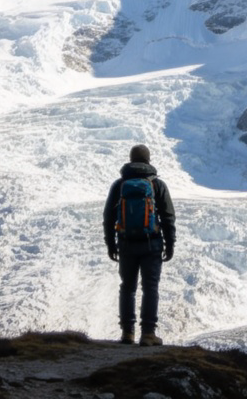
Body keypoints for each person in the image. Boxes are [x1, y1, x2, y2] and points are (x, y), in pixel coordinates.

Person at [103, 143, 176, 346]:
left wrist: (111, 244)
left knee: (127, 287)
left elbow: (108, 217)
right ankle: (148, 334)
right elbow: (168, 217)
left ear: (130, 159)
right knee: (150, 287)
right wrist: (170, 245)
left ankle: (127, 333)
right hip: (151, 244)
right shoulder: (156, 184)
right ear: (148, 160)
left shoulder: (119, 184)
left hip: (126, 244)